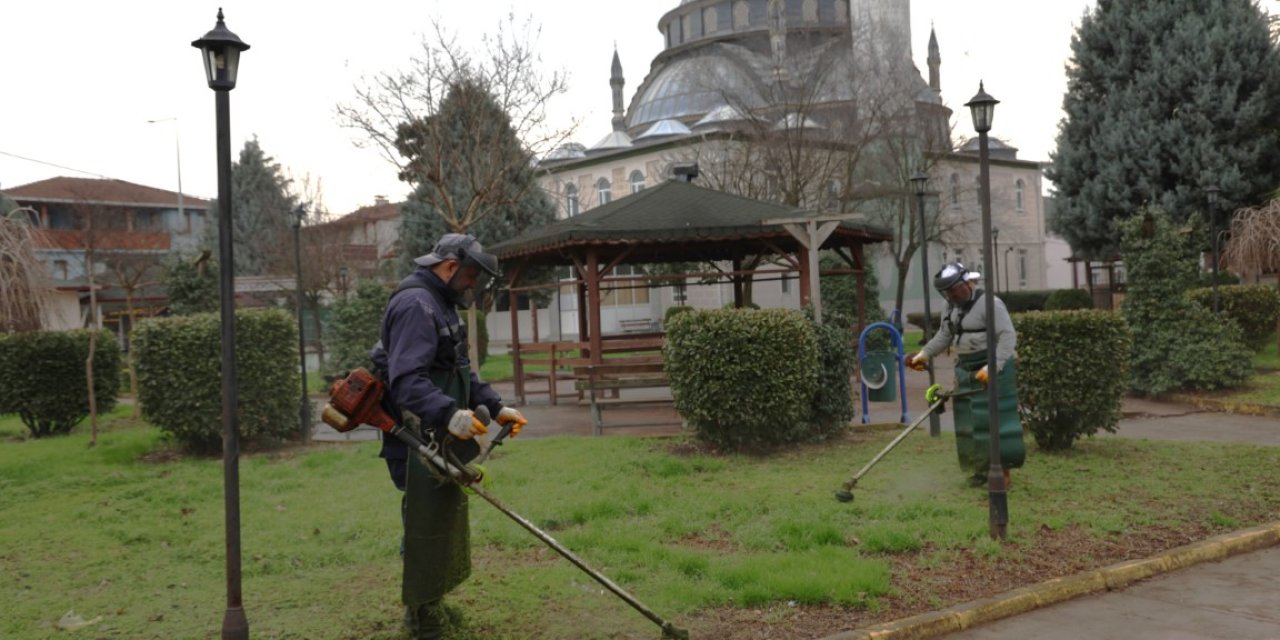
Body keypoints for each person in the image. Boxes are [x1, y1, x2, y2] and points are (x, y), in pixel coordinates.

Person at [369, 232, 528, 640]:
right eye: (472, 275)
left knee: (441, 517)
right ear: (451, 266)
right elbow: (407, 381)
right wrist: (448, 413)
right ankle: (419, 616)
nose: (474, 284)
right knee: (422, 522)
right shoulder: (416, 305)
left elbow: (458, 369)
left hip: (437, 434)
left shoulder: (440, 304)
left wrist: (495, 406)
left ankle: (432, 602)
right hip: (413, 435)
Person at [906, 261, 1024, 485]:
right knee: (970, 421)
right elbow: (945, 335)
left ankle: (1003, 471)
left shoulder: (990, 304)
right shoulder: (949, 306)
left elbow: (1008, 337)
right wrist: (924, 354)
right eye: (946, 292)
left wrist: (993, 366)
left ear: (967, 283)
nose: (950, 295)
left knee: (996, 421)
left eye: (953, 289)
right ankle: (980, 470)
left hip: (993, 367)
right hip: (966, 369)